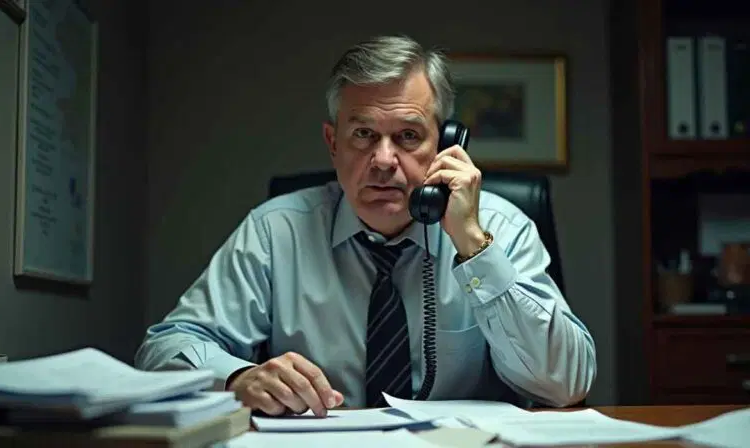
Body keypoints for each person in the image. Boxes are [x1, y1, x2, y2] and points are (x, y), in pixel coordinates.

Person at [135, 35, 597, 418]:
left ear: (445, 145)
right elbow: (163, 350)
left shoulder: (501, 228)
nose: (383, 161)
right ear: (333, 143)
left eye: (408, 136)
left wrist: (473, 247)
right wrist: (238, 377)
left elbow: (566, 384)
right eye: (363, 135)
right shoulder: (276, 232)